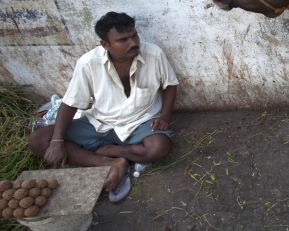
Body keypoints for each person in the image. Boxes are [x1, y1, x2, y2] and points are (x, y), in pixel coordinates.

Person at [28, 12, 179, 202]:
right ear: (105, 45)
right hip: (100, 123)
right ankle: (111, 162)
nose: (133, 43)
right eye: (122, 40)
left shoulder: (153, 54)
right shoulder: (88, 63)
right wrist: (57, 142)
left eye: (134, 35)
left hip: (141, 121)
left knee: (159, 148)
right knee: (39, 140)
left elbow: (170, 85)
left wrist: (164, 116)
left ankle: (109, 152)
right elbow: (70, 103)